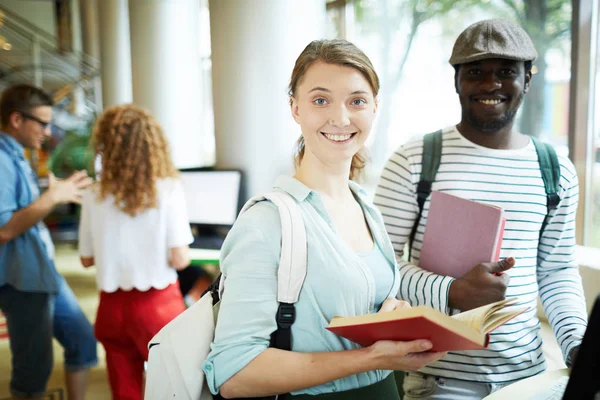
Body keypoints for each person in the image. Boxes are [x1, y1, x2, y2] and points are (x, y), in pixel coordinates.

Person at [202, 39, 445, 400]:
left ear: (375, 108)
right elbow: (233, 373)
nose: (341, 118)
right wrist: (367, 358)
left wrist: (390, 317)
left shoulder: (365, 205)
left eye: (357, 101)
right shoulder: (267, 222)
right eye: (320, 100)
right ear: (295, 108)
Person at [374, 19, 588, 399]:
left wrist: (578, 346)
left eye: (506, 72)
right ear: (456, 81)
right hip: (436, 380)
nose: (491, 84)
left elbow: (556, 270)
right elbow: (376, 268)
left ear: (528, 80)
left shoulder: (554, 169)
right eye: (476, 73)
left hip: (530, 380)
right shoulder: (414, 160)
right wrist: (450, 290)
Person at [78, 104, 192, 400]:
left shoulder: (93, 193)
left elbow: (86, 259)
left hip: (111, 309)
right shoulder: (167, 189)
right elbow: (180, 258)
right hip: (157, 308)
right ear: (152, 145)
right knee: (173, 388)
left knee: (124, 389)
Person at [0, 84, 97, 400]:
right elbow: (5, 229)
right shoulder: (1, 159)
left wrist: (52, 193)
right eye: (42, 123)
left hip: (42, 272)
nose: (48, 130)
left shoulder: (18, 155)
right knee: (33, 371)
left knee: (81, 340)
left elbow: (23, 212)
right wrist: (53, 197)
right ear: (17, 119)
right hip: (22, 279)